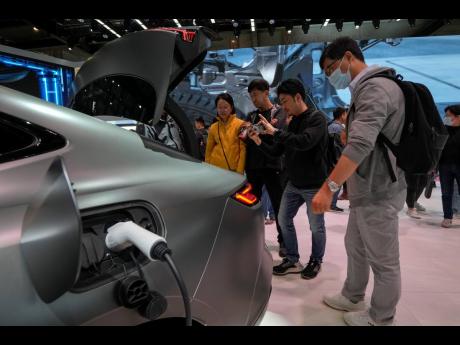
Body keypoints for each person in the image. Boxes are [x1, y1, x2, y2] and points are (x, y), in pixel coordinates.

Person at [312, 37, 407, 326]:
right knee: (356, 244)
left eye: (331, 69)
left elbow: (360, 146)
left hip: (378, 187)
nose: (330, 77)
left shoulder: (375, 88)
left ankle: (381, 317)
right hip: (367, 187)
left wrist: (329, 188)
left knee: (383, 259)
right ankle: (353, 294)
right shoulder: (370, 88)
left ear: (348, 57)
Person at [248, 79, 328, 280]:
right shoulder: (291, 121)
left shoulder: (317, 119)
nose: (282, 107)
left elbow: (305, 142)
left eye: (285, 101)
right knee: (283, 219)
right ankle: (292, 258)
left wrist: (276, 131)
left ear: (298, 97)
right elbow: (276, 152)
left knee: (316, 226)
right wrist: (258, 141)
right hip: (293, 183)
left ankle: (316, 260)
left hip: (314, 185)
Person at [245, 79, 288, 257]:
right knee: (252, 206)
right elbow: (249, 140)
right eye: (251, 96)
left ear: (266, 92)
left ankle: (284, 242)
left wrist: (266, 130)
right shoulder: (252, 116)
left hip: (273, 165)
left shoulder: (281, 113)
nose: (254, 99)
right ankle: (253, 239)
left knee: (279, 207)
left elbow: (281, 138)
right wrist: (247, 132)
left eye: (256, 94)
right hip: (254, 166)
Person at [205, 93, 246, 174]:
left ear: (231, 108)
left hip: (233, 170)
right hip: (215, 169)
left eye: (225, 107)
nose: (222, 110)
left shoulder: (241, 124)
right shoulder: (213, 127)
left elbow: (243, 150)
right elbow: (208, 151)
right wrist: (207, 167)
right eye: (219, 107)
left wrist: (240, 171)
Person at [438, 105, 460, 228]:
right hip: (445, 165)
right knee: (446, 193)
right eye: (445, 116)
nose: (446, 118)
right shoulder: (444, 130)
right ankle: (447, 217)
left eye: (448, 116)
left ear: (458, 117)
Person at [328, 107, 347, 212]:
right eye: (346, 114)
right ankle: (332, 204)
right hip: (337, 159)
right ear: (342, 115)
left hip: (330, 159)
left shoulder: (330, 126)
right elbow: (343, 145)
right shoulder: (339, 128)